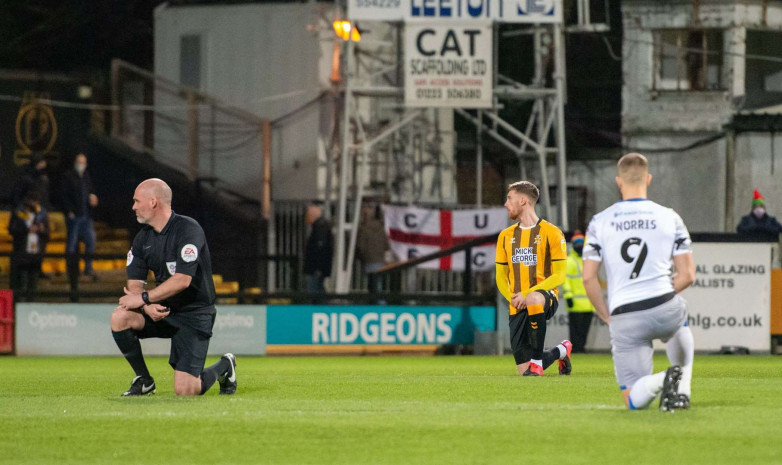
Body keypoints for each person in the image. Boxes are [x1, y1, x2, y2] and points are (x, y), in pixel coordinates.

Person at [582, 153, 696, 412]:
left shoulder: (600, 221)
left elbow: (588, 277)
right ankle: (682, 387)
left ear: (618, 182)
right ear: (649, 179)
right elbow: (688, 274)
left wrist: (607, 316)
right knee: (681, 316)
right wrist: (663, 294)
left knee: (633, 400)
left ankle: (661, 380)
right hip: (665, 307)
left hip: (625, 315)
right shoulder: (670, 217)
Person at [112, 178, 236, 397]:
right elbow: (134, 284)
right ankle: (144, 381)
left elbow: (182, 280)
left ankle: (225, 366)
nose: (133, 207)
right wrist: (145, 306)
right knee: (120, 317)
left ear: (153, 202)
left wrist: (144, 299)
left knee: (186, 390)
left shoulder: (188, 229)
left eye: (136, 201)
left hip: (195, 314)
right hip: (163, 311)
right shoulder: (142, 238)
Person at [495, 181, 572, 376]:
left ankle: (538, 363)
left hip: (544, 297)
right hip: (517, 303)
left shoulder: (552, 232)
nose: (506, 203)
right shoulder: (505, 236)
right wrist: (512, 297)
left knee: (534, 298)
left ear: (523, 200)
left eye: (509, 198)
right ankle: (561, 350)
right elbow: (500, 276)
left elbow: (559, 275)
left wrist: (527, 293)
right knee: (523, 371)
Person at [62, 153, 99, 279]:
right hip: (74, 216)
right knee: (72, 244)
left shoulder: (86, 177)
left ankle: (88, 268)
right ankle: (70, 270)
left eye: (83, 162)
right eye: (79, 162)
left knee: (91, 241)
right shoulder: (68, 177)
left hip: (86, 216)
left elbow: (91, 191)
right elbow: (63, 196)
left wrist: (93, 198)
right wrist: (69, 211)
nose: (81, 165)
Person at [8, 190, 49, 302]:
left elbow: (47, 234)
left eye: (36, 202)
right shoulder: (18, 212)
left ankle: (30, 304)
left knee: (33, 282)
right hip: (22, 253)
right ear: (27, 201)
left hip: (36, 253)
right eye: (32, 201)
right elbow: (11, 230)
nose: (34, 204)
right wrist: (26, 230)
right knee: (22, 281)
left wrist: (42, 230)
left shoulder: (42, 213)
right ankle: (20, 304)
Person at [561, 231, 595, 353]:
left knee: (584, 329)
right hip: (575, 303)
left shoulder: (588, 260)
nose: (579, 245)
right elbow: (566, 280)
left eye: (581, 243)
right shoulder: (570, 261)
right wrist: (569, 296)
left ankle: (581, 348)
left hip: (589, 303)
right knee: (575, 329)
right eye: (577, 243)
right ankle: (576, 349)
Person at [356, 204, 390, 298]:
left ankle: (377, 306)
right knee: (378, 286)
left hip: (368, 261)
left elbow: (360, 246)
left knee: (371, 287)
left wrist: (360, 257)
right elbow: (386, 246)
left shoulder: (363, 229)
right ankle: (379, 306)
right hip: (380, 261)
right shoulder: (381, 229)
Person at [303, 202, 333, 295]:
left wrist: (318, 267)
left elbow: (320, 249)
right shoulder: (321, 226)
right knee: (319, 291)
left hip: (316, 268)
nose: (307, 215)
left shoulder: (320, 227)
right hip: (319, 268)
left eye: (309, 212)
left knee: (314, 292)